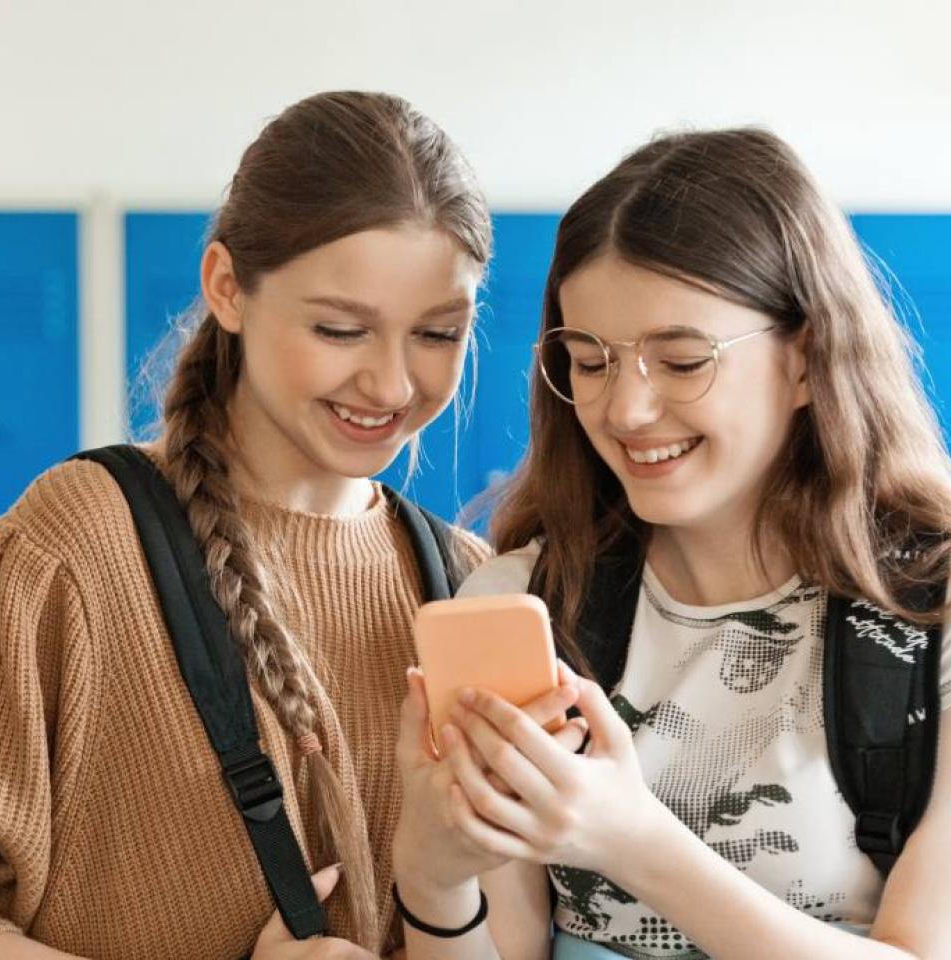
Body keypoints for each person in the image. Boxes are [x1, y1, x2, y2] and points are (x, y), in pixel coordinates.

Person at [0, 90, 492, 960]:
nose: (393, 386)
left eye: (438, 333)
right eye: (340, 329)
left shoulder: (469, 582)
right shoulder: (76, 547)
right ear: (227, 288)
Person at [391, 128, 951, 959]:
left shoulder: (929, 608)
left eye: (683, 361)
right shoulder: (527, 604)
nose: (625, 412)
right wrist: (433, 876)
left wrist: (632, 842)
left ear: (806, 359)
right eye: (589, 362)